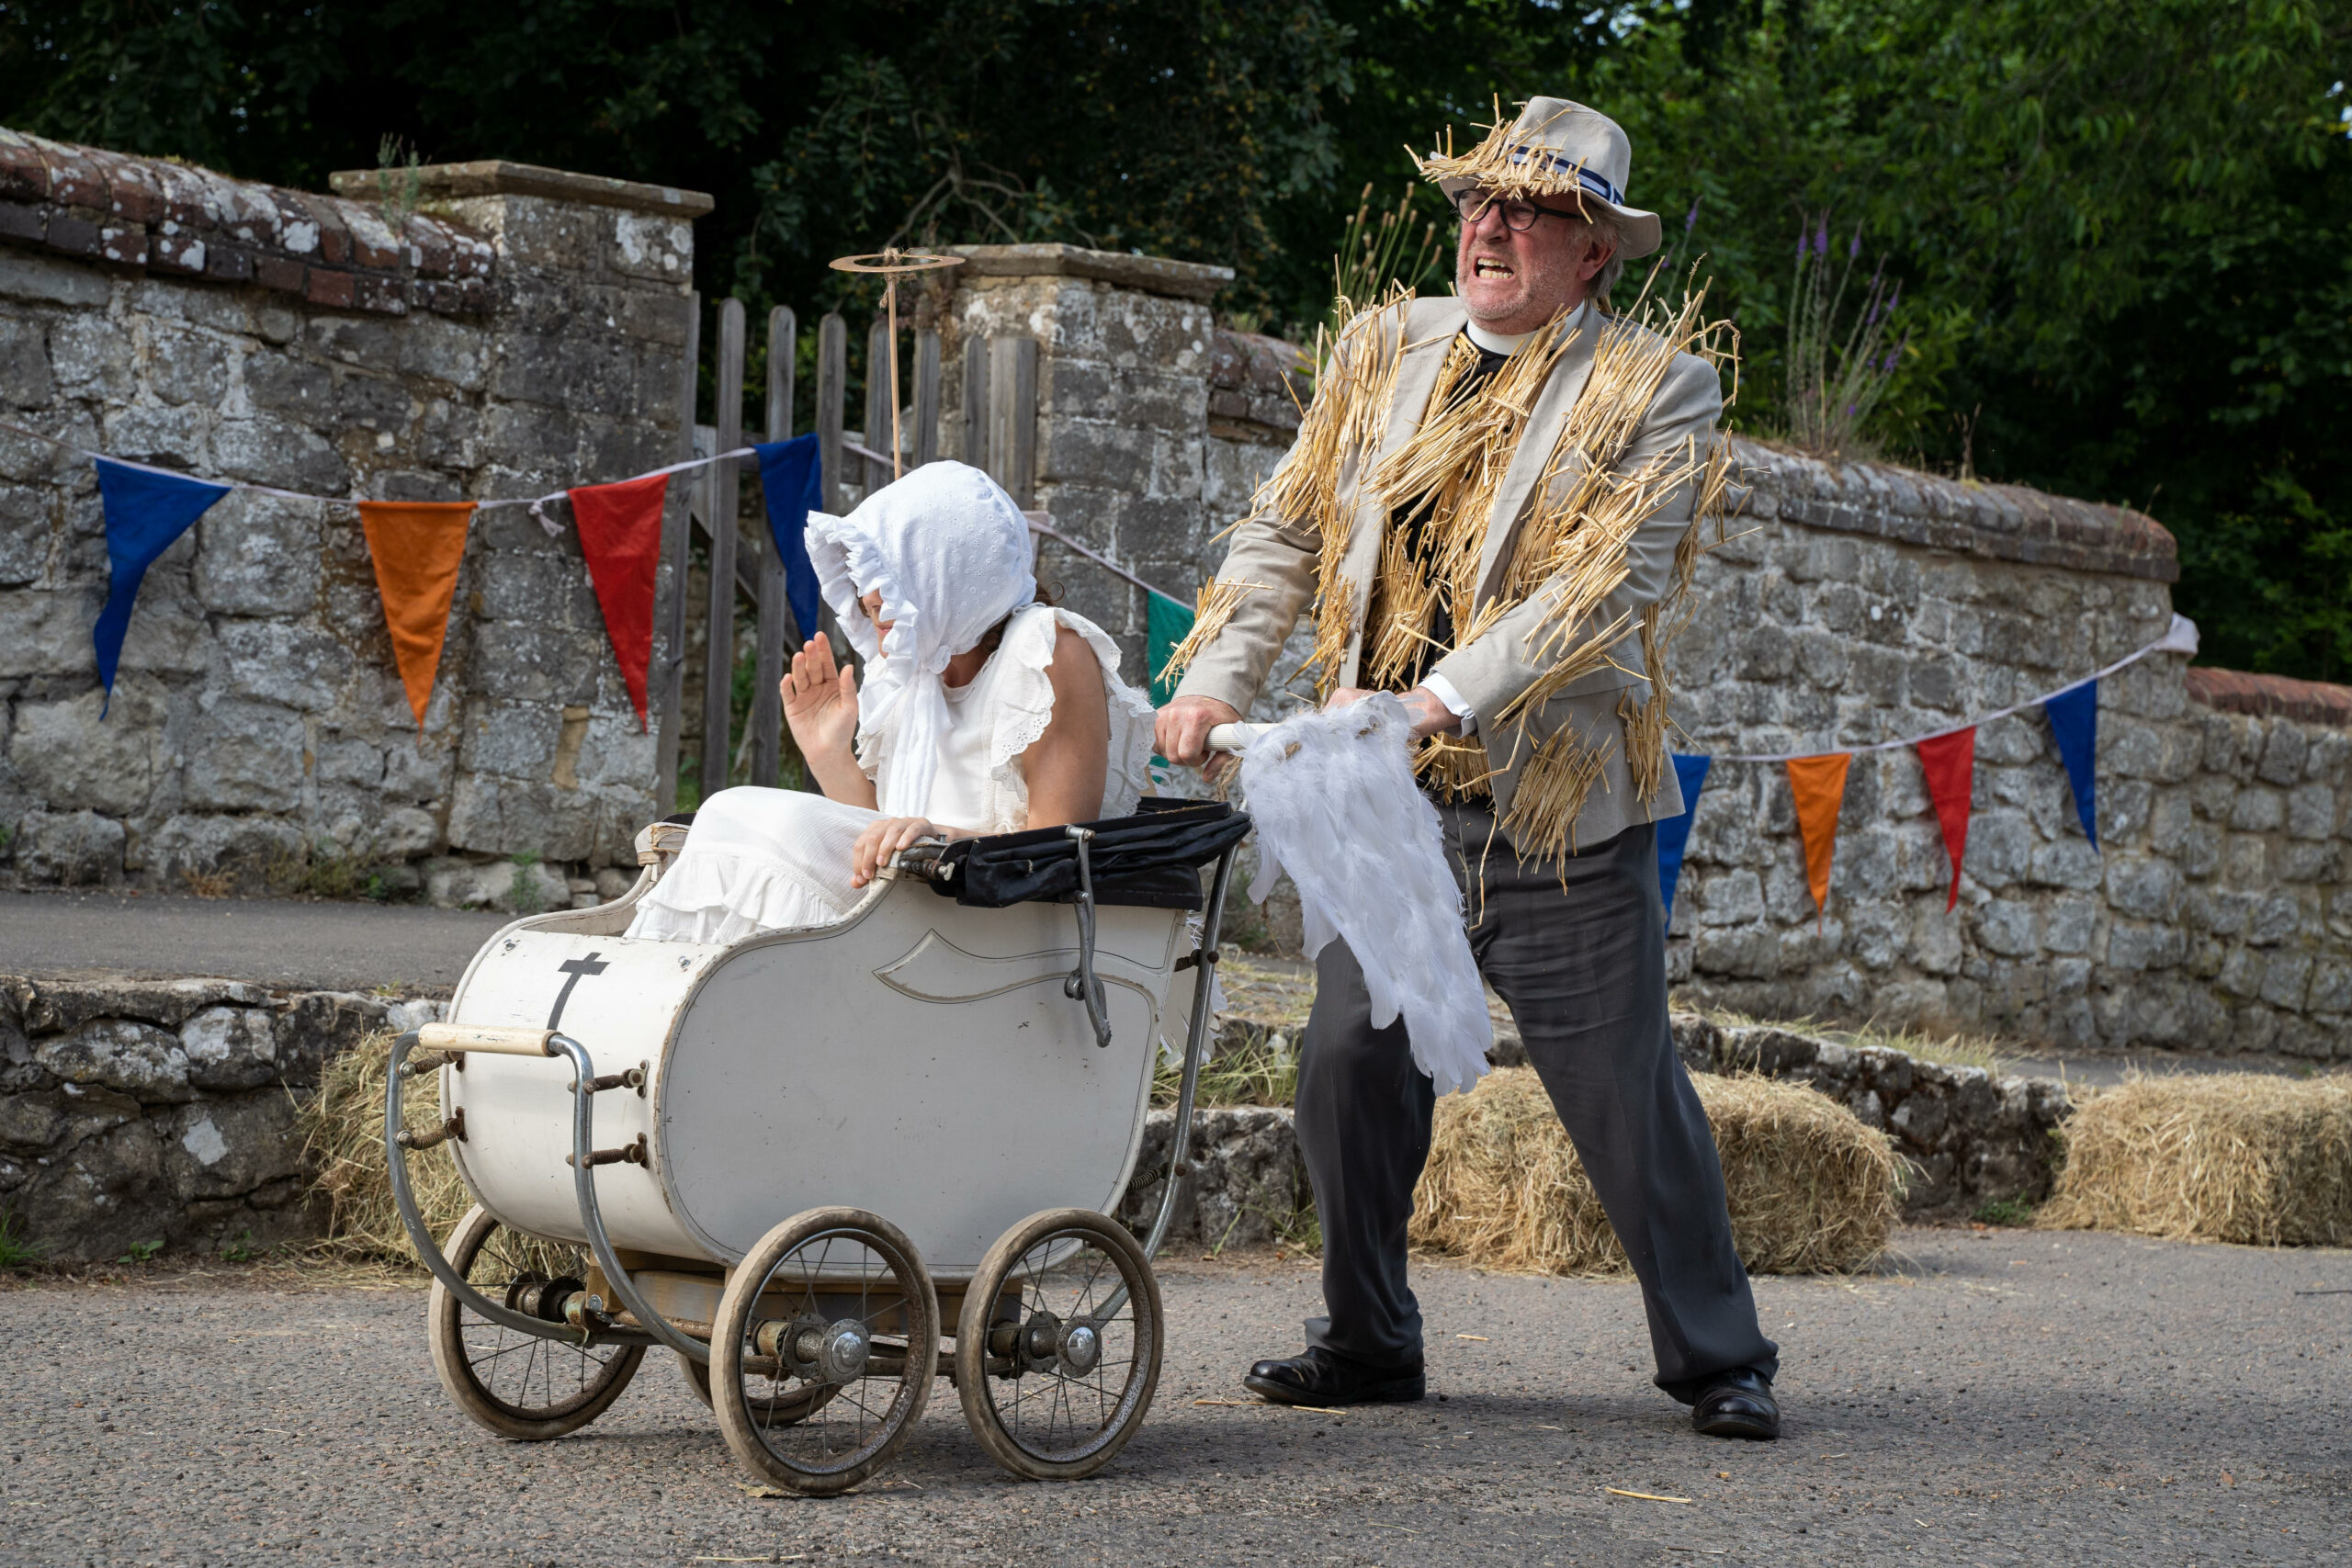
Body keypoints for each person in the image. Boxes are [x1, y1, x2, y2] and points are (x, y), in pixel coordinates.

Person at [1156, 97, 1782, 1439]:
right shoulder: (1383, 349)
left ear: (1594, 251)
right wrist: (1215, 679)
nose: (1490, 227)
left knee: (1623, 1095)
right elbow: (1284, 530)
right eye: (1478, 202)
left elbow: (1600, 589)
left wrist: (1435, 699)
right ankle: (1369, 1339)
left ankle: (1718, 1356)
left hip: (1553, 811)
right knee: (1345, 1062)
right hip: (1386, 811)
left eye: (1531, 210)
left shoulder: (1658, 387)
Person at [628, 460, 1155, 944]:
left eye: (890, 570)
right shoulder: (914, 671)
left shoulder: (1045, 649)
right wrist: (828, 752)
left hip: (1002, 923)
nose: (868, 597)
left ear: (949, 568)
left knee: (771, 820)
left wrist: (940, 840)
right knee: (729, 811)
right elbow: (877, 839)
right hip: (913, 903)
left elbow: (1057, 849)